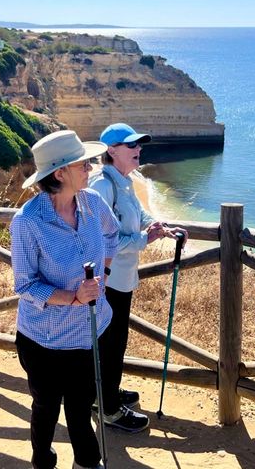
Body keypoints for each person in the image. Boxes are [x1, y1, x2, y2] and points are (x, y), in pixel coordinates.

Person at [10, 129, 120, 469]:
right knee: (45, 406)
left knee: (80, 403)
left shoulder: (92, 203)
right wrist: (73, 297)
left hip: (91, 331)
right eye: (83, 163)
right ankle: (42, 459)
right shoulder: (27, 222)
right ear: (60, 173)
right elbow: (25, 286)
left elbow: (112, 235)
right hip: (44, 340)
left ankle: (87, 462)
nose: (91, 167)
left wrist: (104, 273)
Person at [88, 122, 188, 433]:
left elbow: (137, 214)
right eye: (131, 146)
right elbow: (105, 241)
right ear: (112, 151)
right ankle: (109, 410)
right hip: (108, 279)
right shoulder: (102, 187)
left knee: (114, 340)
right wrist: (145, 239)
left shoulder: (124, 181)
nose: (138, 150)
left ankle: (103, 394)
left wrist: (156, 223)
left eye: (139, 145)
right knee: (111, 342)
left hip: (122, 277)